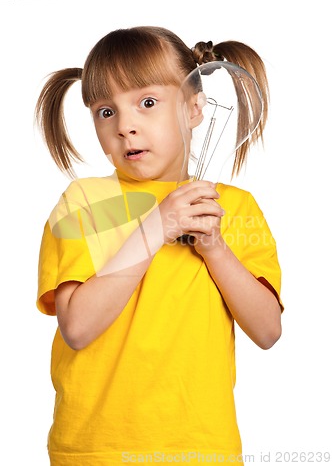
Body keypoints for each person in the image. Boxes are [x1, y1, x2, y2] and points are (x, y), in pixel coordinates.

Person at [36, 26, 283, 465]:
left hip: (203, 448)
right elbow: (77, 328)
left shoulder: (234, 208)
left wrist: (216, 251)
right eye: (105, 111)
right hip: (95, 449)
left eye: (147, 103)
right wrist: (156, 226)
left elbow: (267, 331)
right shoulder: (83, 205)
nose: (125, 126)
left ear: (194, 109)